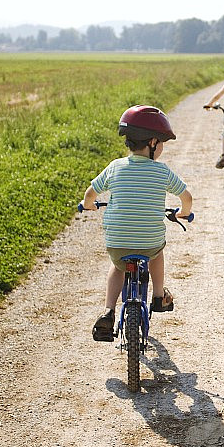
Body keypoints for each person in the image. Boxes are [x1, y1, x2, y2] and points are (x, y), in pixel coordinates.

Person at [80, 105, 193, 342]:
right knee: (157, 253)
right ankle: (159, 296)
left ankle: (109, 310)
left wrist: (88, 204)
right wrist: (183, 213)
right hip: (149, 242)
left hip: (118, 242)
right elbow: (186, 198)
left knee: (117, 266)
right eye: (161, 142)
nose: (162, 147)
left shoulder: (115, 167)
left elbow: (91, 193)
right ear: (153, 142)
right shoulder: (162, 171)